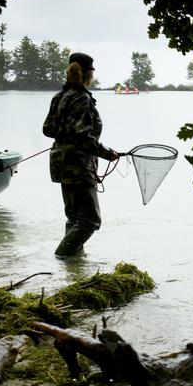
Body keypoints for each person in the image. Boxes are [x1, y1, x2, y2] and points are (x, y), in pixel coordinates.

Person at [43, 52, 120, 258]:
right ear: (88, 74)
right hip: (77, 165)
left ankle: (72, 270)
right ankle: (61, 258)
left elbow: (47, 129)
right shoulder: (82, 98)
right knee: (90, 220)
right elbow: (83, 136)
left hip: (60, 163)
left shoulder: (59, 97)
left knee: (75, 217)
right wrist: (106, 153)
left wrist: (66, 135)